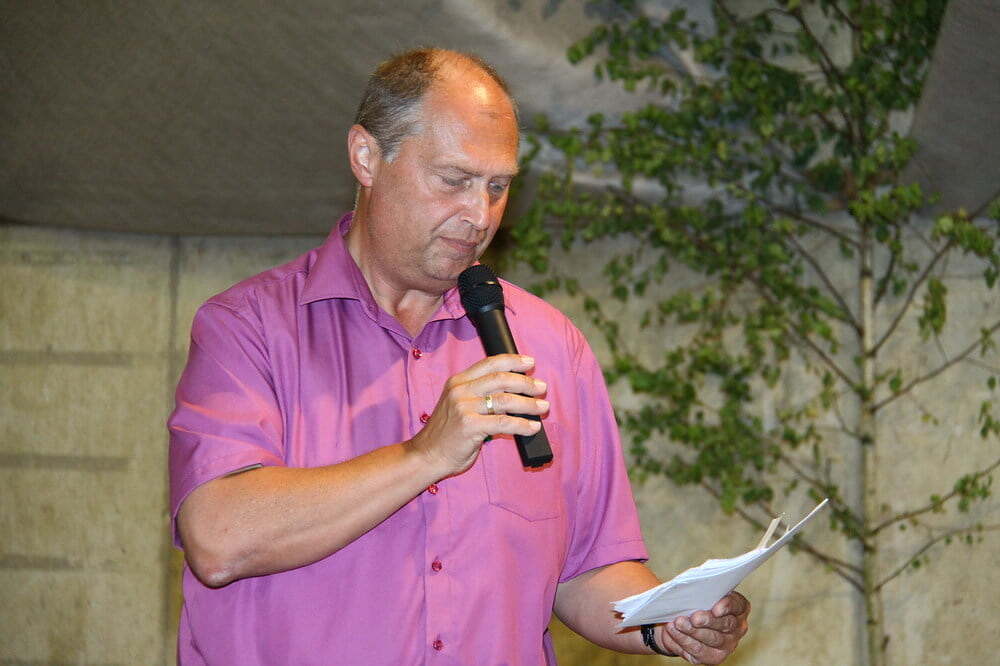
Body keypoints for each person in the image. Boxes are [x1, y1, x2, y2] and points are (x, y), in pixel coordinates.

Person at [168, 48, 749, 665]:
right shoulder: (249, 328)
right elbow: (219, 538)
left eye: (498, 187)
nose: (479, 215)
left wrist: (667, 621)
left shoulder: (550, 346)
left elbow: (588, 569)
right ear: (366, 157)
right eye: (454, 180)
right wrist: (425, 455)